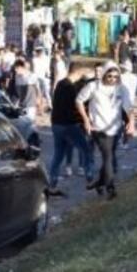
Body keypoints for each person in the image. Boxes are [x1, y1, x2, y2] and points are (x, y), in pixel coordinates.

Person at [76, 61, 134, 199]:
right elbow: (78, 100)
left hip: (115, 128)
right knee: (108, 157)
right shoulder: (93, 86)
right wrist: (86, 119)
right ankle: (110, 188)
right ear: (104, 75)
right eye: (109, 76)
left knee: (110, 156)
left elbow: (129, 107)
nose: (112, 79)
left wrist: (131, 123)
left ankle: (100, 183)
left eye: (115, 76)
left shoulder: (122, 89)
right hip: (98, 128)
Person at [46, 63, 94, 195]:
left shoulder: (60, 84)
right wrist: (83, 121)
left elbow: (57, 106)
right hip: (69, 125)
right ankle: (90, 179)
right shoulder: (70, 88)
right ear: (77, 72)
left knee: (58, 155)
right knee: (86, 150)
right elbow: (73, 108)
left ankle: (52, 184)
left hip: (56, 125)